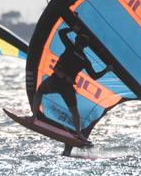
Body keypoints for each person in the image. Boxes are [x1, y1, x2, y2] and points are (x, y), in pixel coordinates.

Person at [31, 26, 112, 155]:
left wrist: (72, 28)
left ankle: (34, 117)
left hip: (55, 81)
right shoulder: (85, 60)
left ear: (76, 40)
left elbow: (61, 33)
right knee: (75, 112)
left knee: (39, 92)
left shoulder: (70, 47)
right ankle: (79, 134)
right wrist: (106, 70)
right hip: (67, 87)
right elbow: (94, 76)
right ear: (85, 46)